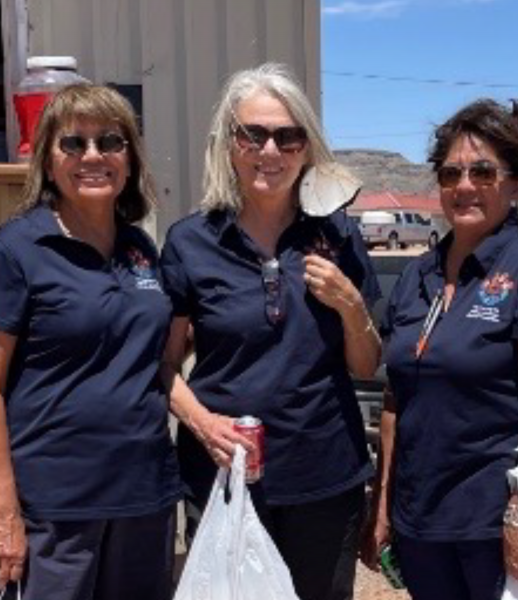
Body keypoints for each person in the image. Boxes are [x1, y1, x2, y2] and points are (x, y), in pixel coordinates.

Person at [159, 63, 381, 600]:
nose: (270, 151)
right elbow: (161, 364)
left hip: (323, 474)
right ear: (229, 144)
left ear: (306, 148)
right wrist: (203, 423)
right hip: (226, 472)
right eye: (252, 134)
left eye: (288, 136)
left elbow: (367, 365)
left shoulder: (337, 234)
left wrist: (352, 306)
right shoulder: (191, 241)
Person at [362, 98, 518, 600]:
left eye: (483, 172)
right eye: (450, 172)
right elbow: (398, 398)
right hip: (420, 519)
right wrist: (383, 504)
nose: (463, 186)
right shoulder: (420, 273)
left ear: (517, 182)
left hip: (491, 521)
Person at [0, 84, 182, 600]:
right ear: (49, 163)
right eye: (73, 144)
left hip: (144, 497)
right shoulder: (16, 250)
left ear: (129, 160)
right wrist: (4, 514)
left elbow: (154, 363)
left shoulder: (140, 248)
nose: (92, 156)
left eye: (110, 142)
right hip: (56, 508)